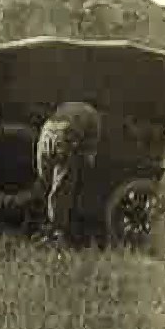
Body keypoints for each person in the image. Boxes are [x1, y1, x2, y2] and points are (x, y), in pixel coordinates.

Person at [36, 101, 103, 245]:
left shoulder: (67, 106)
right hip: (65, 135)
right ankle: (57, 233)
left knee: (45, 182)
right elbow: (89, 155)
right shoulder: (94, 116)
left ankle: (42, 223)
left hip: (46, 132)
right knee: (61, 188)